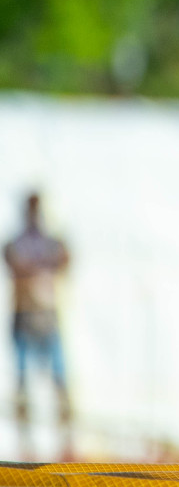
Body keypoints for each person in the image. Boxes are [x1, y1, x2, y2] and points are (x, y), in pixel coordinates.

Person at [4, 192, 72, 453]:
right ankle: (25, 442)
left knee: (60, 381)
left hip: (46, 318)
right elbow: (14, 262)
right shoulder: (18, 243)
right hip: (24, 318)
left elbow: (64, 259)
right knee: (22, 384)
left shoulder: (49, 241)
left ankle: (65, 440)